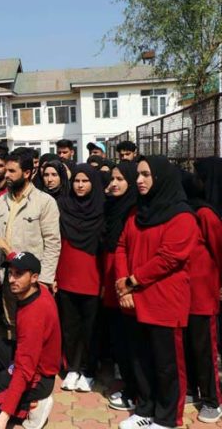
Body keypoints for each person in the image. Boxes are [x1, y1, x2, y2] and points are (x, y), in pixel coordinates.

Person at [115, 156, 196, 429]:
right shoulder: (137, 212)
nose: (139, 180)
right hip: (135, 299)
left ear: (161, 178)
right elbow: (122, 246)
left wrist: (132, 280)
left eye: (146, 174)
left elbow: (169, 258)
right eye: (138, 174)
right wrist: (123, 284)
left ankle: (168, 417)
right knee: (141, 359)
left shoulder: (182, 215)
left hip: (164, 300)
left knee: (167, 365)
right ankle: (146, 408)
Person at [0, 151, 61, 342]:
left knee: (34, 329)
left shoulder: (44, 202)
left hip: (32, 280)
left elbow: (53, 244)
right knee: (12, 327)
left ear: (28, 173)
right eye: (6, 170)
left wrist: (45, 279)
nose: (7, 175)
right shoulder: (0, 202)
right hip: (8, 278)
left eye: (12, 171)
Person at [0, 252, 60, 429]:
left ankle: (32, 406)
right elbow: (20, 258)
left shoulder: (34, 316)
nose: (12, 279)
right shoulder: (39, 289)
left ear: (34, 277)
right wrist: (9, 250)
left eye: (18, 274)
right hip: (28, 358)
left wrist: (2, 419)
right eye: (11, 273)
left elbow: (23, 369)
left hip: (38, 378)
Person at [54, 164, 104, 393]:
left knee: (91, 328)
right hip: (66, 276)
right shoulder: (63, 206)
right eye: (77, 181)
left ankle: (88, 370)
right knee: (70, 326)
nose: (80, 185)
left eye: (85, 181)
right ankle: (72, 368)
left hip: (93, 278)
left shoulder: (102, 209)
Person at [181, 171, 222, 423]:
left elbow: (219, 249)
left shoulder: (205, 214)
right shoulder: (181, 215)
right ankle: (191, 389)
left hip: (202, 296)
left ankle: (211, 400)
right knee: (186, 346)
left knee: (204, 349)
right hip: (182, 295)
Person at [101, 162, 139, 412]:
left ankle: (136, 392)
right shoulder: (111, 207)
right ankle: (130, 385)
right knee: (120, 339)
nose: (114, 183)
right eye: (112, 179)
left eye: (120, 179)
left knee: (132, 342)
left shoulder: (134, 211)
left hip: (127, 284)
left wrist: (128, 286)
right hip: (111, 280)